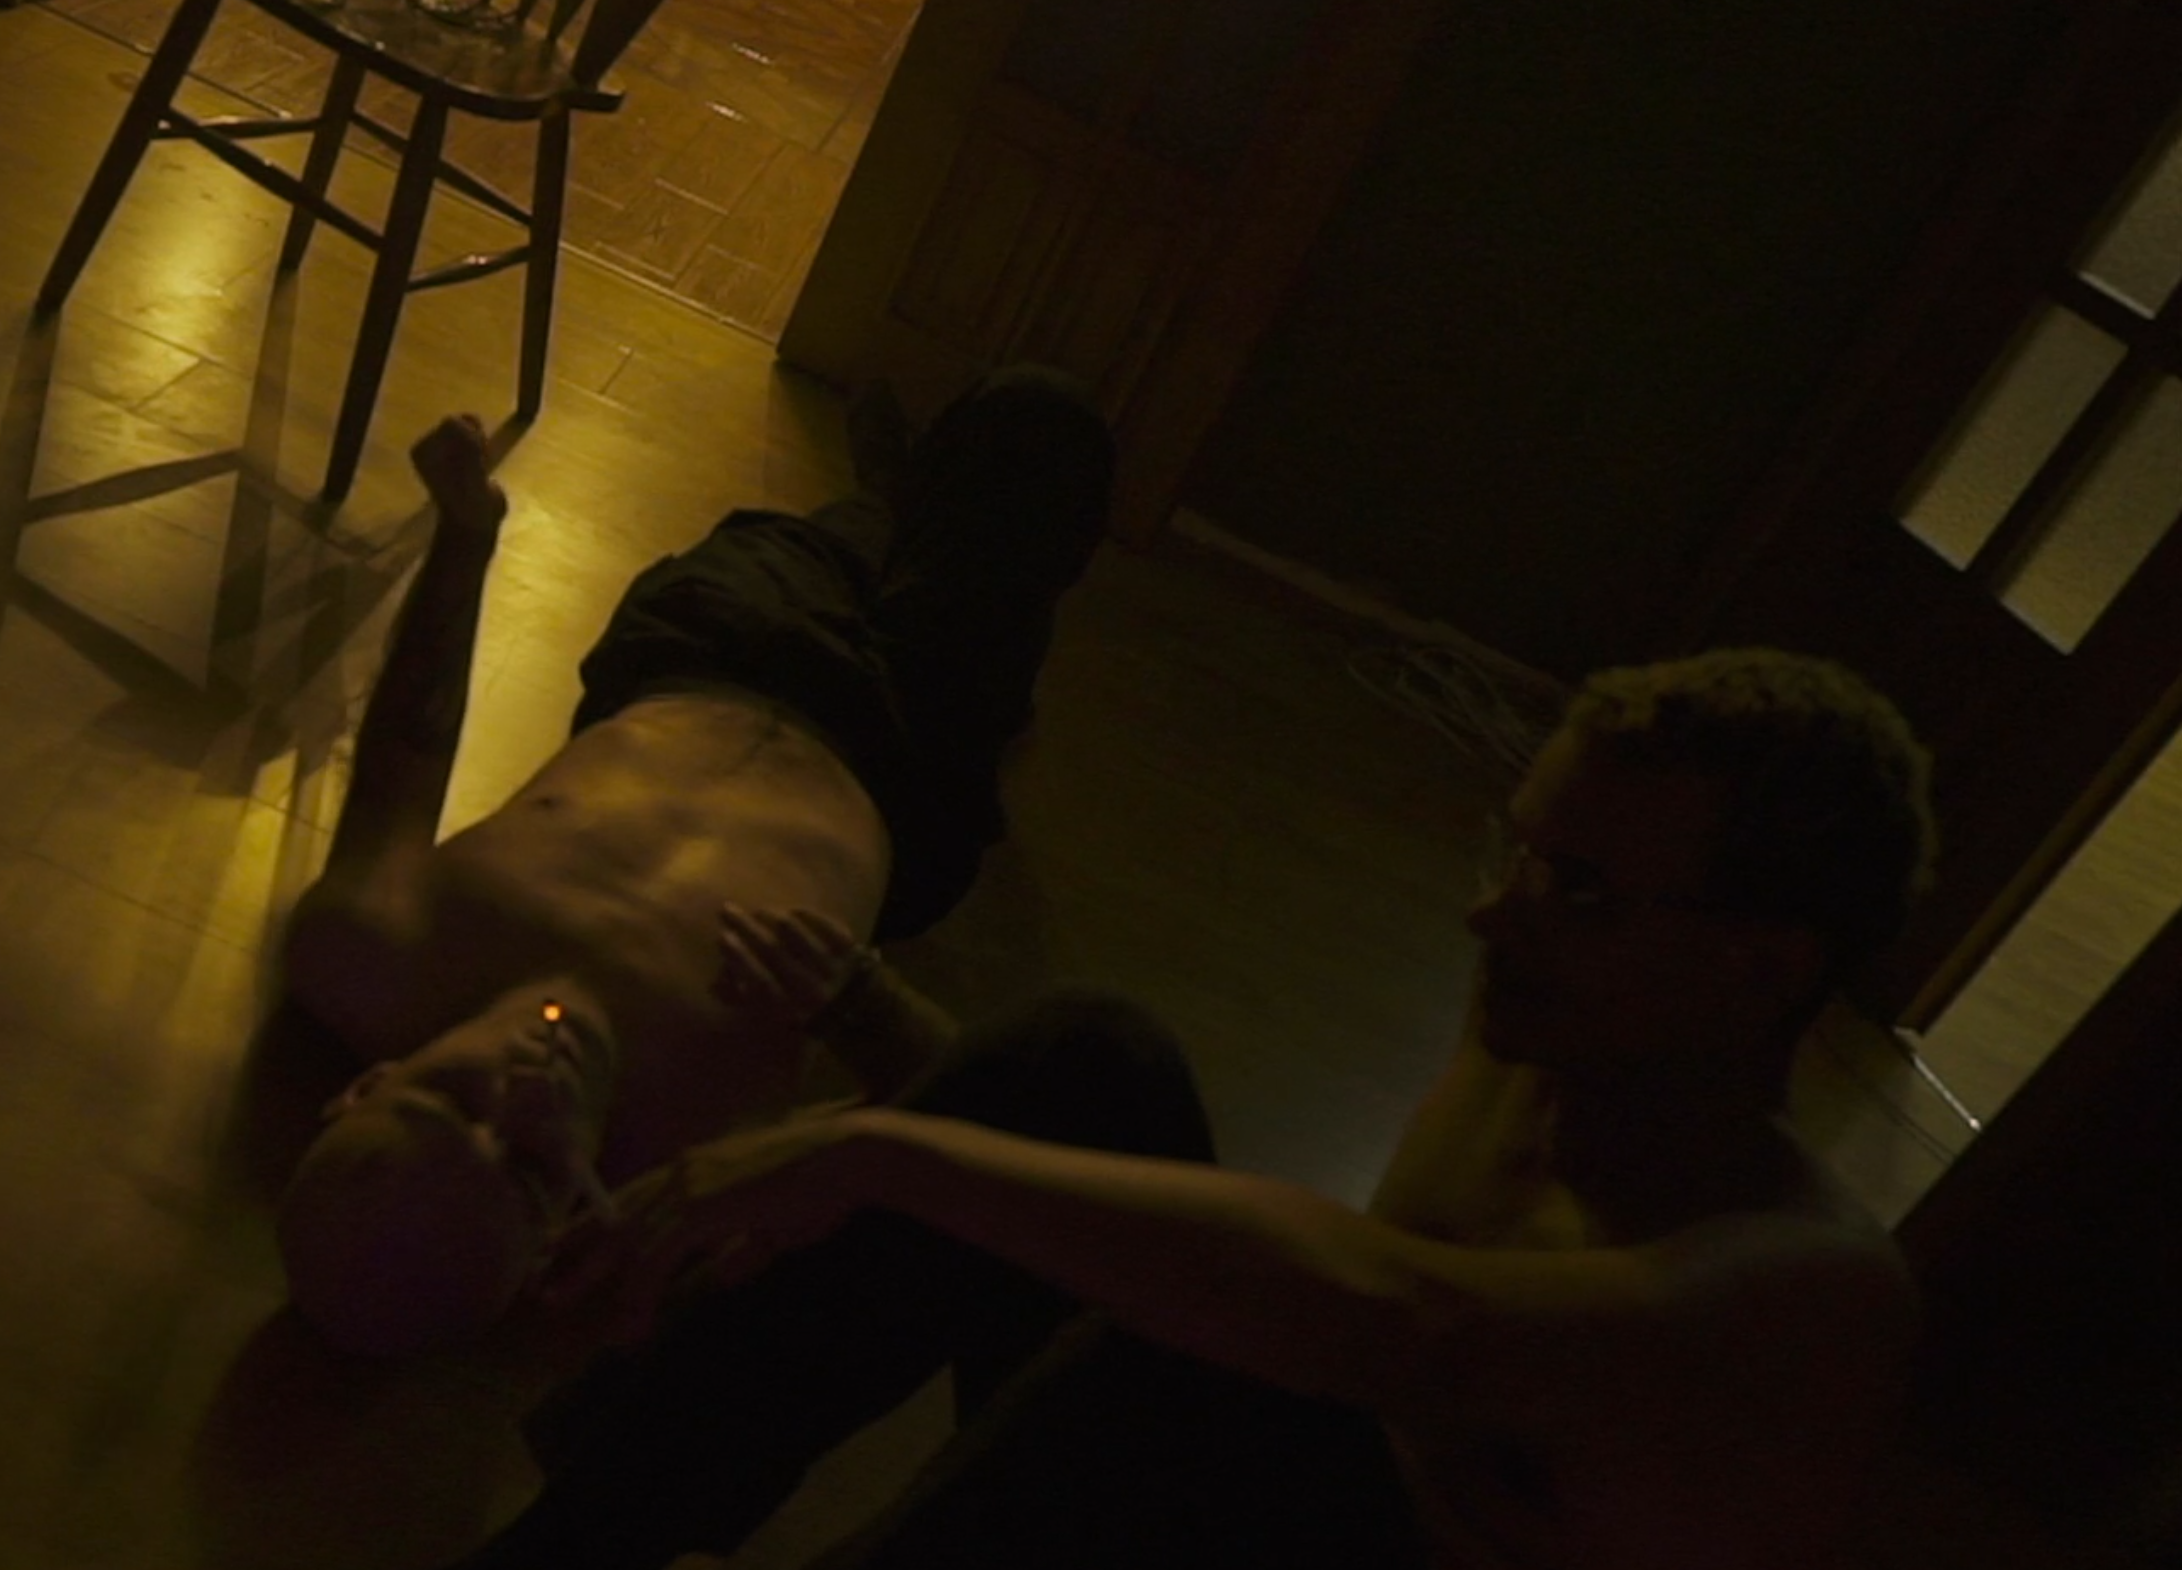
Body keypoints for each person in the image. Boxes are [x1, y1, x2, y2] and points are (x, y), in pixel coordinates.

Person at [461, 647, 1939, 1570]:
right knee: (1087, 1065)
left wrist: (877, 1152)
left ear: (1757, 966)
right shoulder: (1539, 1050)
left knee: (1231, 1373)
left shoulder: (1803, 1294)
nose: (1495, 915)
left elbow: (1412, 1331)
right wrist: (881, 1058)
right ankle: (572, 1545)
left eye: (1581, 891)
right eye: (1519, 852)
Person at [277, 368, 1125, 1354]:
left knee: (880, 521)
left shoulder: (367, 954)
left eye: (456, 1100)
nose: (526, 1087)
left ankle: (890, 494)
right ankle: (911, 496)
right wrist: (871, 1012)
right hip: (905, 753)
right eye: (530, 1167)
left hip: (711, 646)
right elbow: (984, 1143)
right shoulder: (699, 1156)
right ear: (558, 1235)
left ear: (367, 1087)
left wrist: (466, 538)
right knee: (1041, 435)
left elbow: (404, 757)